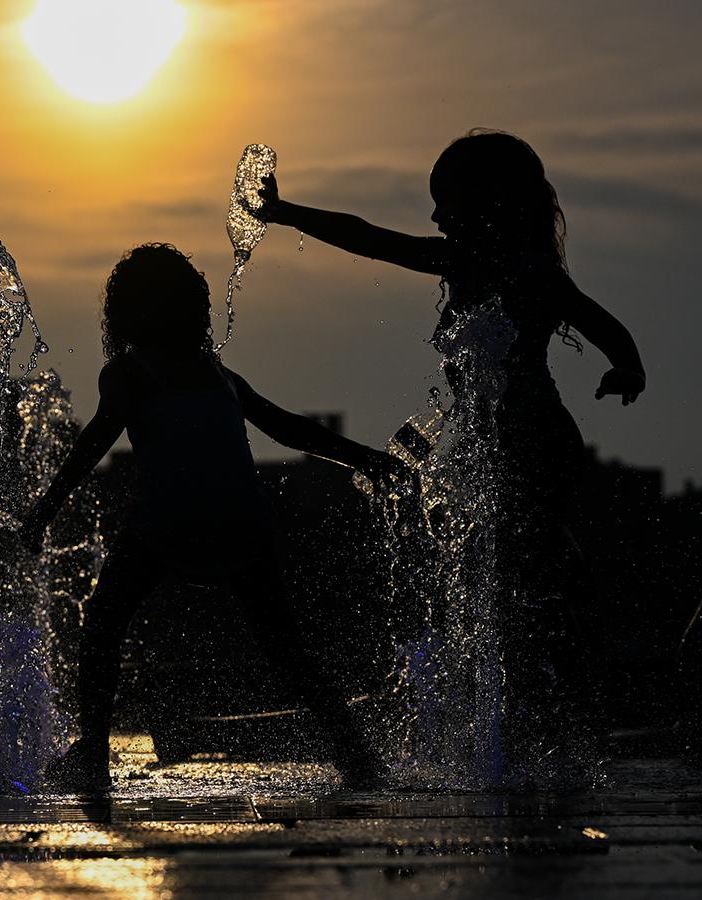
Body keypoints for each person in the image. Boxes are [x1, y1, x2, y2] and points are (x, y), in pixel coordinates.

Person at [255, 129, 646, 766]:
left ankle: (544, 716)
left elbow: (608, 329)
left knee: (515, 582)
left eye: (445, 202)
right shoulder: (469, 262)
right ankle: (542, 705)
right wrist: (284, 212)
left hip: (532, 443)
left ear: (488, 203)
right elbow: (368, 238)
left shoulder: (526, 272)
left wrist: (628, 369)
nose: (435, 217)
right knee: (513, 578)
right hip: (494, 447)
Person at [18, 244, 405, 792]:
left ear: (125, 313)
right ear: (193, 308)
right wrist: (369, 459)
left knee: (103, 624)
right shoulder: (217, 374)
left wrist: (43, 510)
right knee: (286, 648)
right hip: (242, 524)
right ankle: (356, 755)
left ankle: (94, 756)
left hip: (169, 525)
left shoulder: (129, 373)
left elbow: (92, 444)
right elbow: (289, 429)